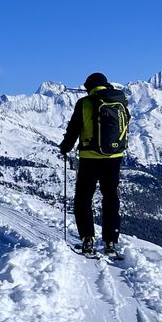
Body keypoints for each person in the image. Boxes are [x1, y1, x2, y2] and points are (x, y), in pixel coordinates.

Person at [59, 72, 131, 257]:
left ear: (88, 87)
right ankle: (110, 241)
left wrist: (65, 147)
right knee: (111, 198)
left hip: (90, 158)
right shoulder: (119, 101)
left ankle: (87, 239)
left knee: (83, 198)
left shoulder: (84, 103)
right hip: (114, 157)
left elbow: (74, 129)